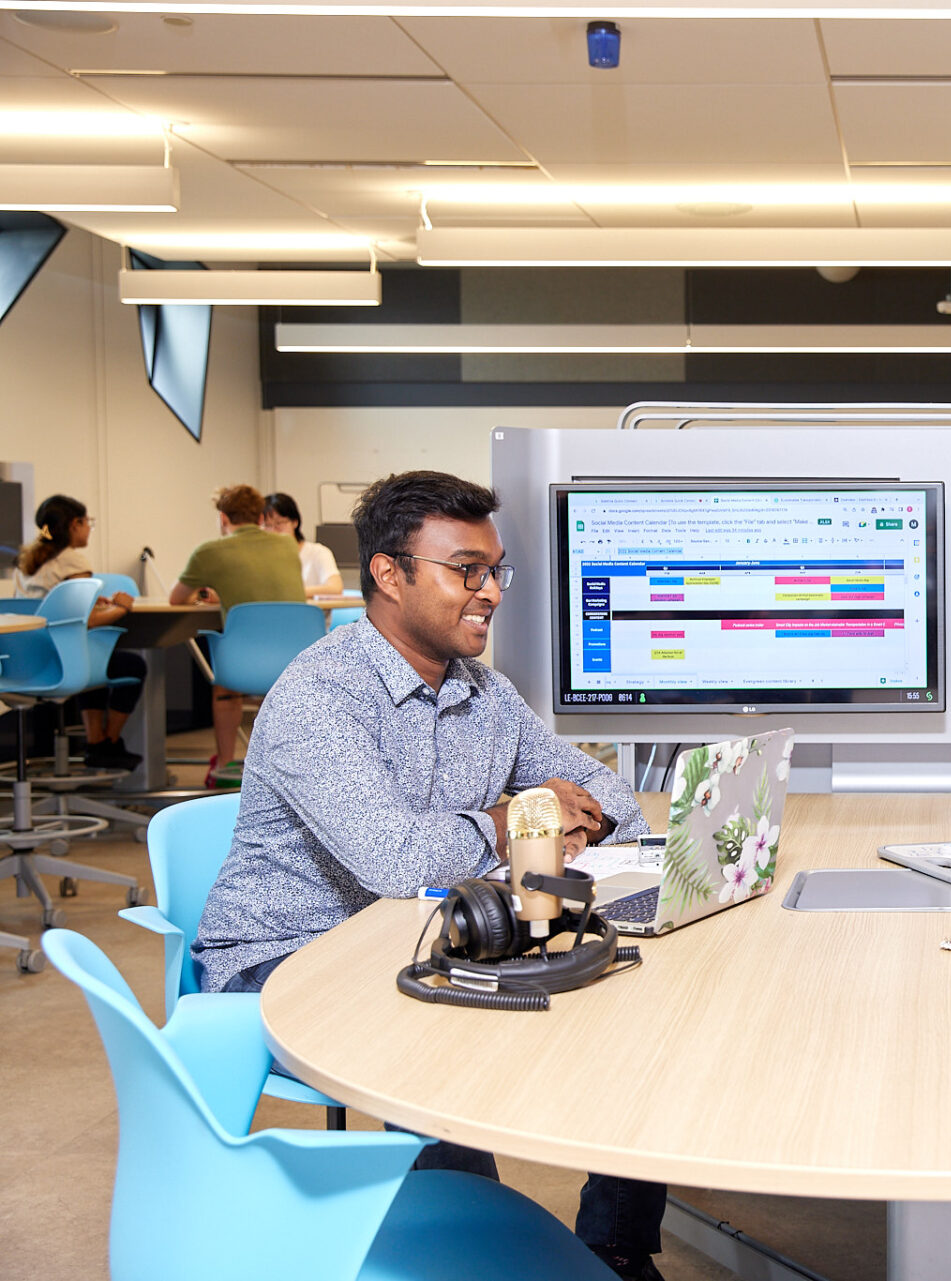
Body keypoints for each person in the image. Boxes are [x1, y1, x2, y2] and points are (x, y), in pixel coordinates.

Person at [191, 470, 671, 1281]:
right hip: (290, 952)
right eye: (466, 570)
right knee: (452, 1023)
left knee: (634, 990)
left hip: (432, 931)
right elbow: (397, 861)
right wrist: (523, 816)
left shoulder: (486, 692)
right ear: (389, 573)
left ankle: (617, 1247)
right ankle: (470, 1260)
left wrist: (583, 809)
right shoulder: (321, 694)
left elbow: (604, 789)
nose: (489, 592)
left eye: (496, 571)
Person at [169, 484, 306, 784]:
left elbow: (176, 599)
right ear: (260, 516)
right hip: (293, 659)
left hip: (244, 664)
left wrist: (208, 594)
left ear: (222, 517)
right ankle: (272, 763)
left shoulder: (209, 551)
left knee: (226, 688)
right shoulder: (286, 545)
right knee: (268, 686)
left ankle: (227, 766)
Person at [13, 494, 146, 770]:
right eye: (88, 523)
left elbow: (51, 609)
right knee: (132, 666)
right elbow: (84, 621)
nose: (88, 529)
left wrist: (96, 603)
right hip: (62, 662)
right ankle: (105, 743)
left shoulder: (28, 564)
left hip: (26, 662)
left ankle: (98, 743)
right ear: (75, 524)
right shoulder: (72, 561)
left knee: (92, 657)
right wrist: (120, 608)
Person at [261, 491, 344, 598]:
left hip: (310, 613)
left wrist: (291, 593)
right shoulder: (261, 557)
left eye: (279, 523)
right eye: (267, 525)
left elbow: (335, 588)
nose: (273, 531)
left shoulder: (317, 552)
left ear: (294, 522)